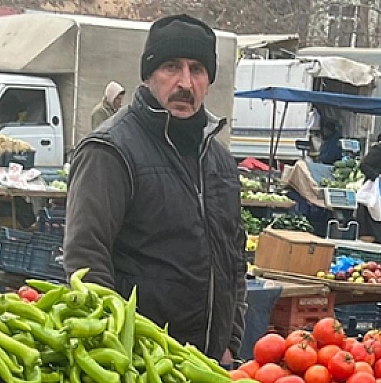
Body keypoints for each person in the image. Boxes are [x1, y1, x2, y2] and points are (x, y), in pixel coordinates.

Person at [63, 15, 246, 361]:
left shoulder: (221, 163)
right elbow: (86, 260)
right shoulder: (110, 151)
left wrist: (230, 342)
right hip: (138, 367)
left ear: (209, 82)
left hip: (209, 367)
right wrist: (117, 351)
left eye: (197, 70)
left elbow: (234, 260)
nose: (185, 82)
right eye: (171, 67)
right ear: (148, 75)